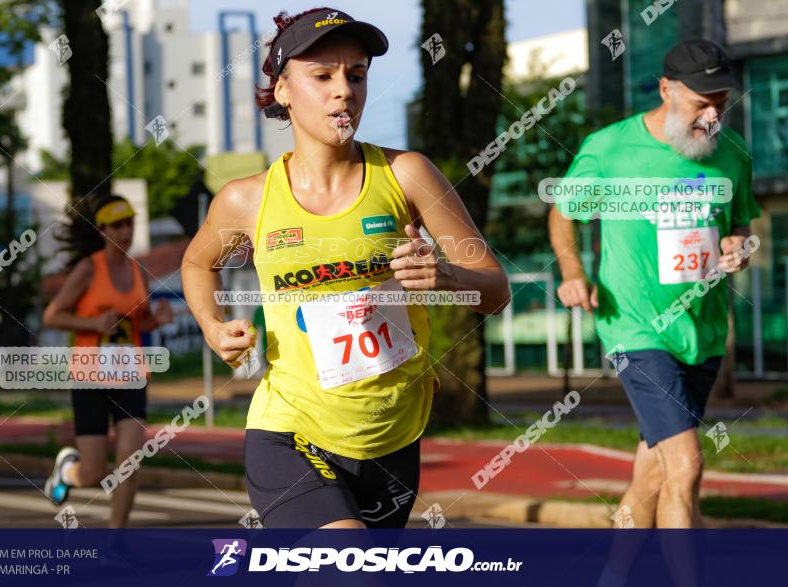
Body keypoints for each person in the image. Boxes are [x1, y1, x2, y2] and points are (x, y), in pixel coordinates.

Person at [182, 7, 510, 529]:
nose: (344, 91)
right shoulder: (246, 201)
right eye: (322, 76)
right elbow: (199, 264)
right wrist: (212, 325)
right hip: (289, 428)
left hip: (392, 434)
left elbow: (495, 287)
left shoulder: (407, 175)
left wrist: (451, 278)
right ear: (282, 89)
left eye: (355, 75)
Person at [549, 40, 760, 530]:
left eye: (721, 103)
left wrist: (739, 247)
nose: (711, 115)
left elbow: (743, 227)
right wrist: (573, 274)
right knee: (686, 465)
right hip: (635, 328)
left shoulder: (733, 155)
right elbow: (563, 214)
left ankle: (614, 575)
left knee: (655, 472)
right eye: (700, 103)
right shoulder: (610, 149)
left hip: (703, 334)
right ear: (666, 89)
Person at [42, 195, 173, 528]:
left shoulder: (137, 270)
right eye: (118, 225)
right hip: (90, 377)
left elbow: (137, 322)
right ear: (102, 230)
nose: (125, 231)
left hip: (130, 376)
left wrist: (156, 320)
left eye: (129, 223)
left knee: (130, 463)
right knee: (94, 472)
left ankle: (116, 542)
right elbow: (52, 316)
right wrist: (92, 324)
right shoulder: (89, 269)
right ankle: (68, 471)